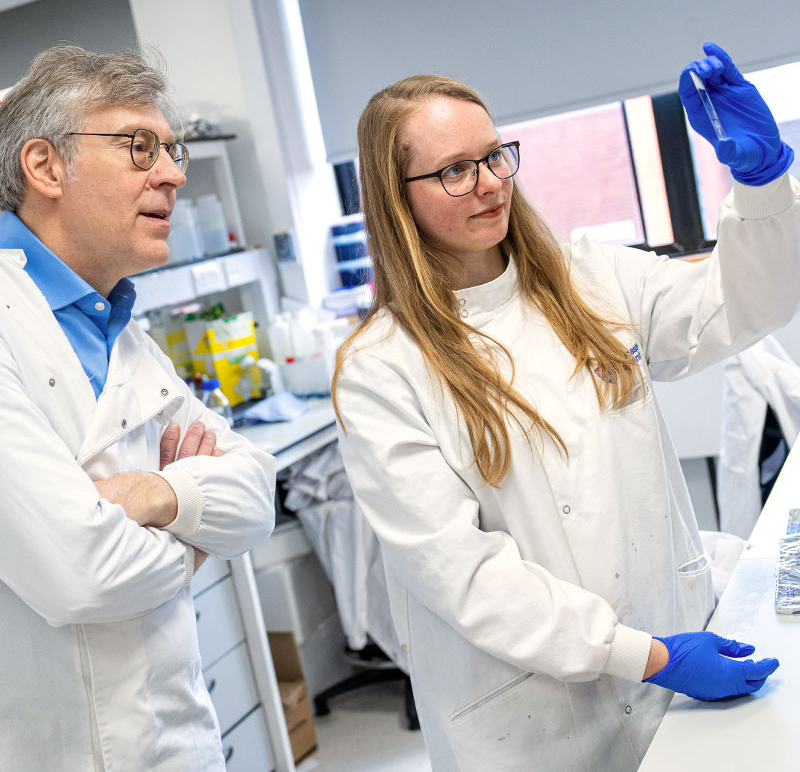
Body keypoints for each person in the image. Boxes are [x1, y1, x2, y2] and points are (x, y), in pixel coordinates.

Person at [332, 42, 799, 771]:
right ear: (398, 196)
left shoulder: (592, 278)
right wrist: (641, 656)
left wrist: (764, 182)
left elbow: (742, 305)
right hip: (531, 722)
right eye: (454, 170)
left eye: (494, 156)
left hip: (670, 667)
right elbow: (464, 573)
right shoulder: (381, 368)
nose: (488, 184)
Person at [0, 46, 276, 771]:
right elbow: (81, 574)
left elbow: (253, 495)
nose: (175, 174)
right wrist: (194, 533)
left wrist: (156, 492)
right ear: (46, 166)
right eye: (139, 147)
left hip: (177, 741)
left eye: (172, 149)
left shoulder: (122, 333)